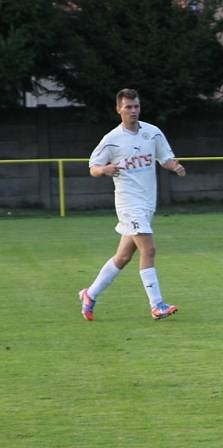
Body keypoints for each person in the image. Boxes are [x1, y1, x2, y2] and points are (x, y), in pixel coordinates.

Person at [78, 88, 186, 321]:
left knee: (123, 257)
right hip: (128, 203)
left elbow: (164, 158)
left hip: (147, 203)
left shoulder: (152, 132)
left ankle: (90, 294)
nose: (133, 110)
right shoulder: (112, 140)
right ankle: (157, 305)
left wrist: (174, 166)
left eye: (136, 106)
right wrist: (104, 170)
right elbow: (93, 167)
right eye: (128, 107)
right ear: (119, 109)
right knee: (149, 250)